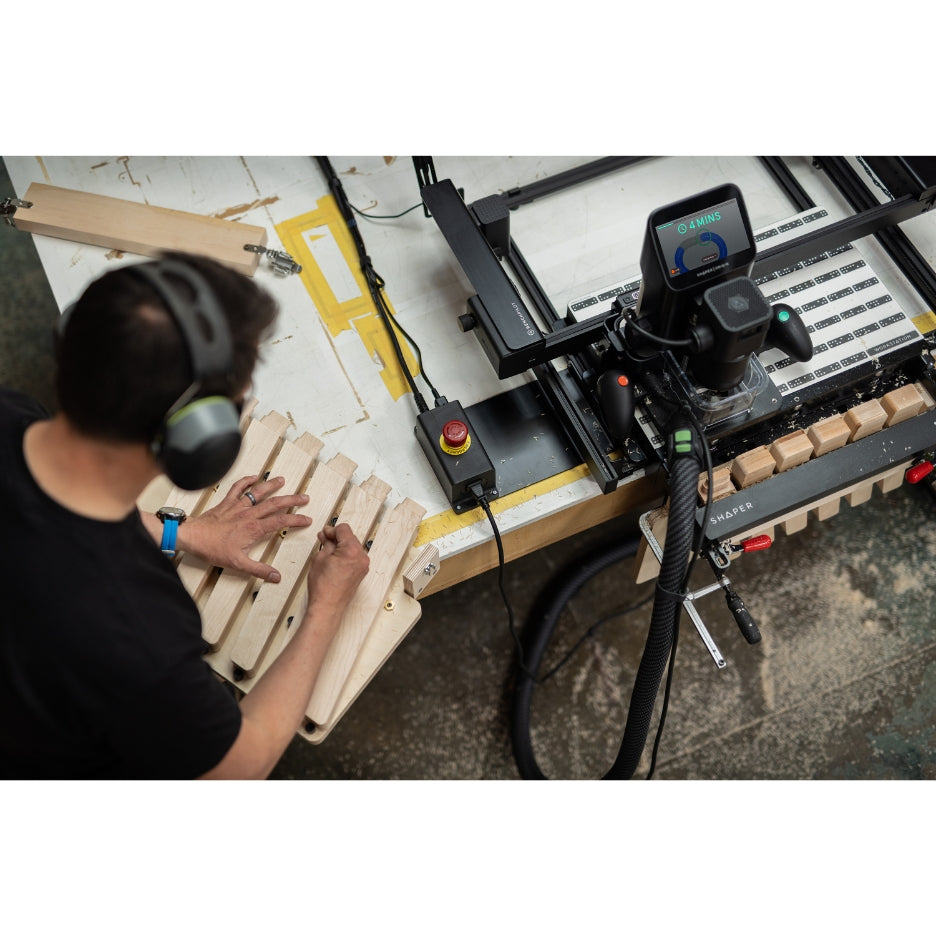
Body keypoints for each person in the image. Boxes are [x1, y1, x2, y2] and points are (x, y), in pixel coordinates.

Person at [0, 252, 370, 779]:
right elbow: (237, 767)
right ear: (202, 443)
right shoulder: (138, 635)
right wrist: (326, 609)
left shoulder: (10, 411)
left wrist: (182, 531)